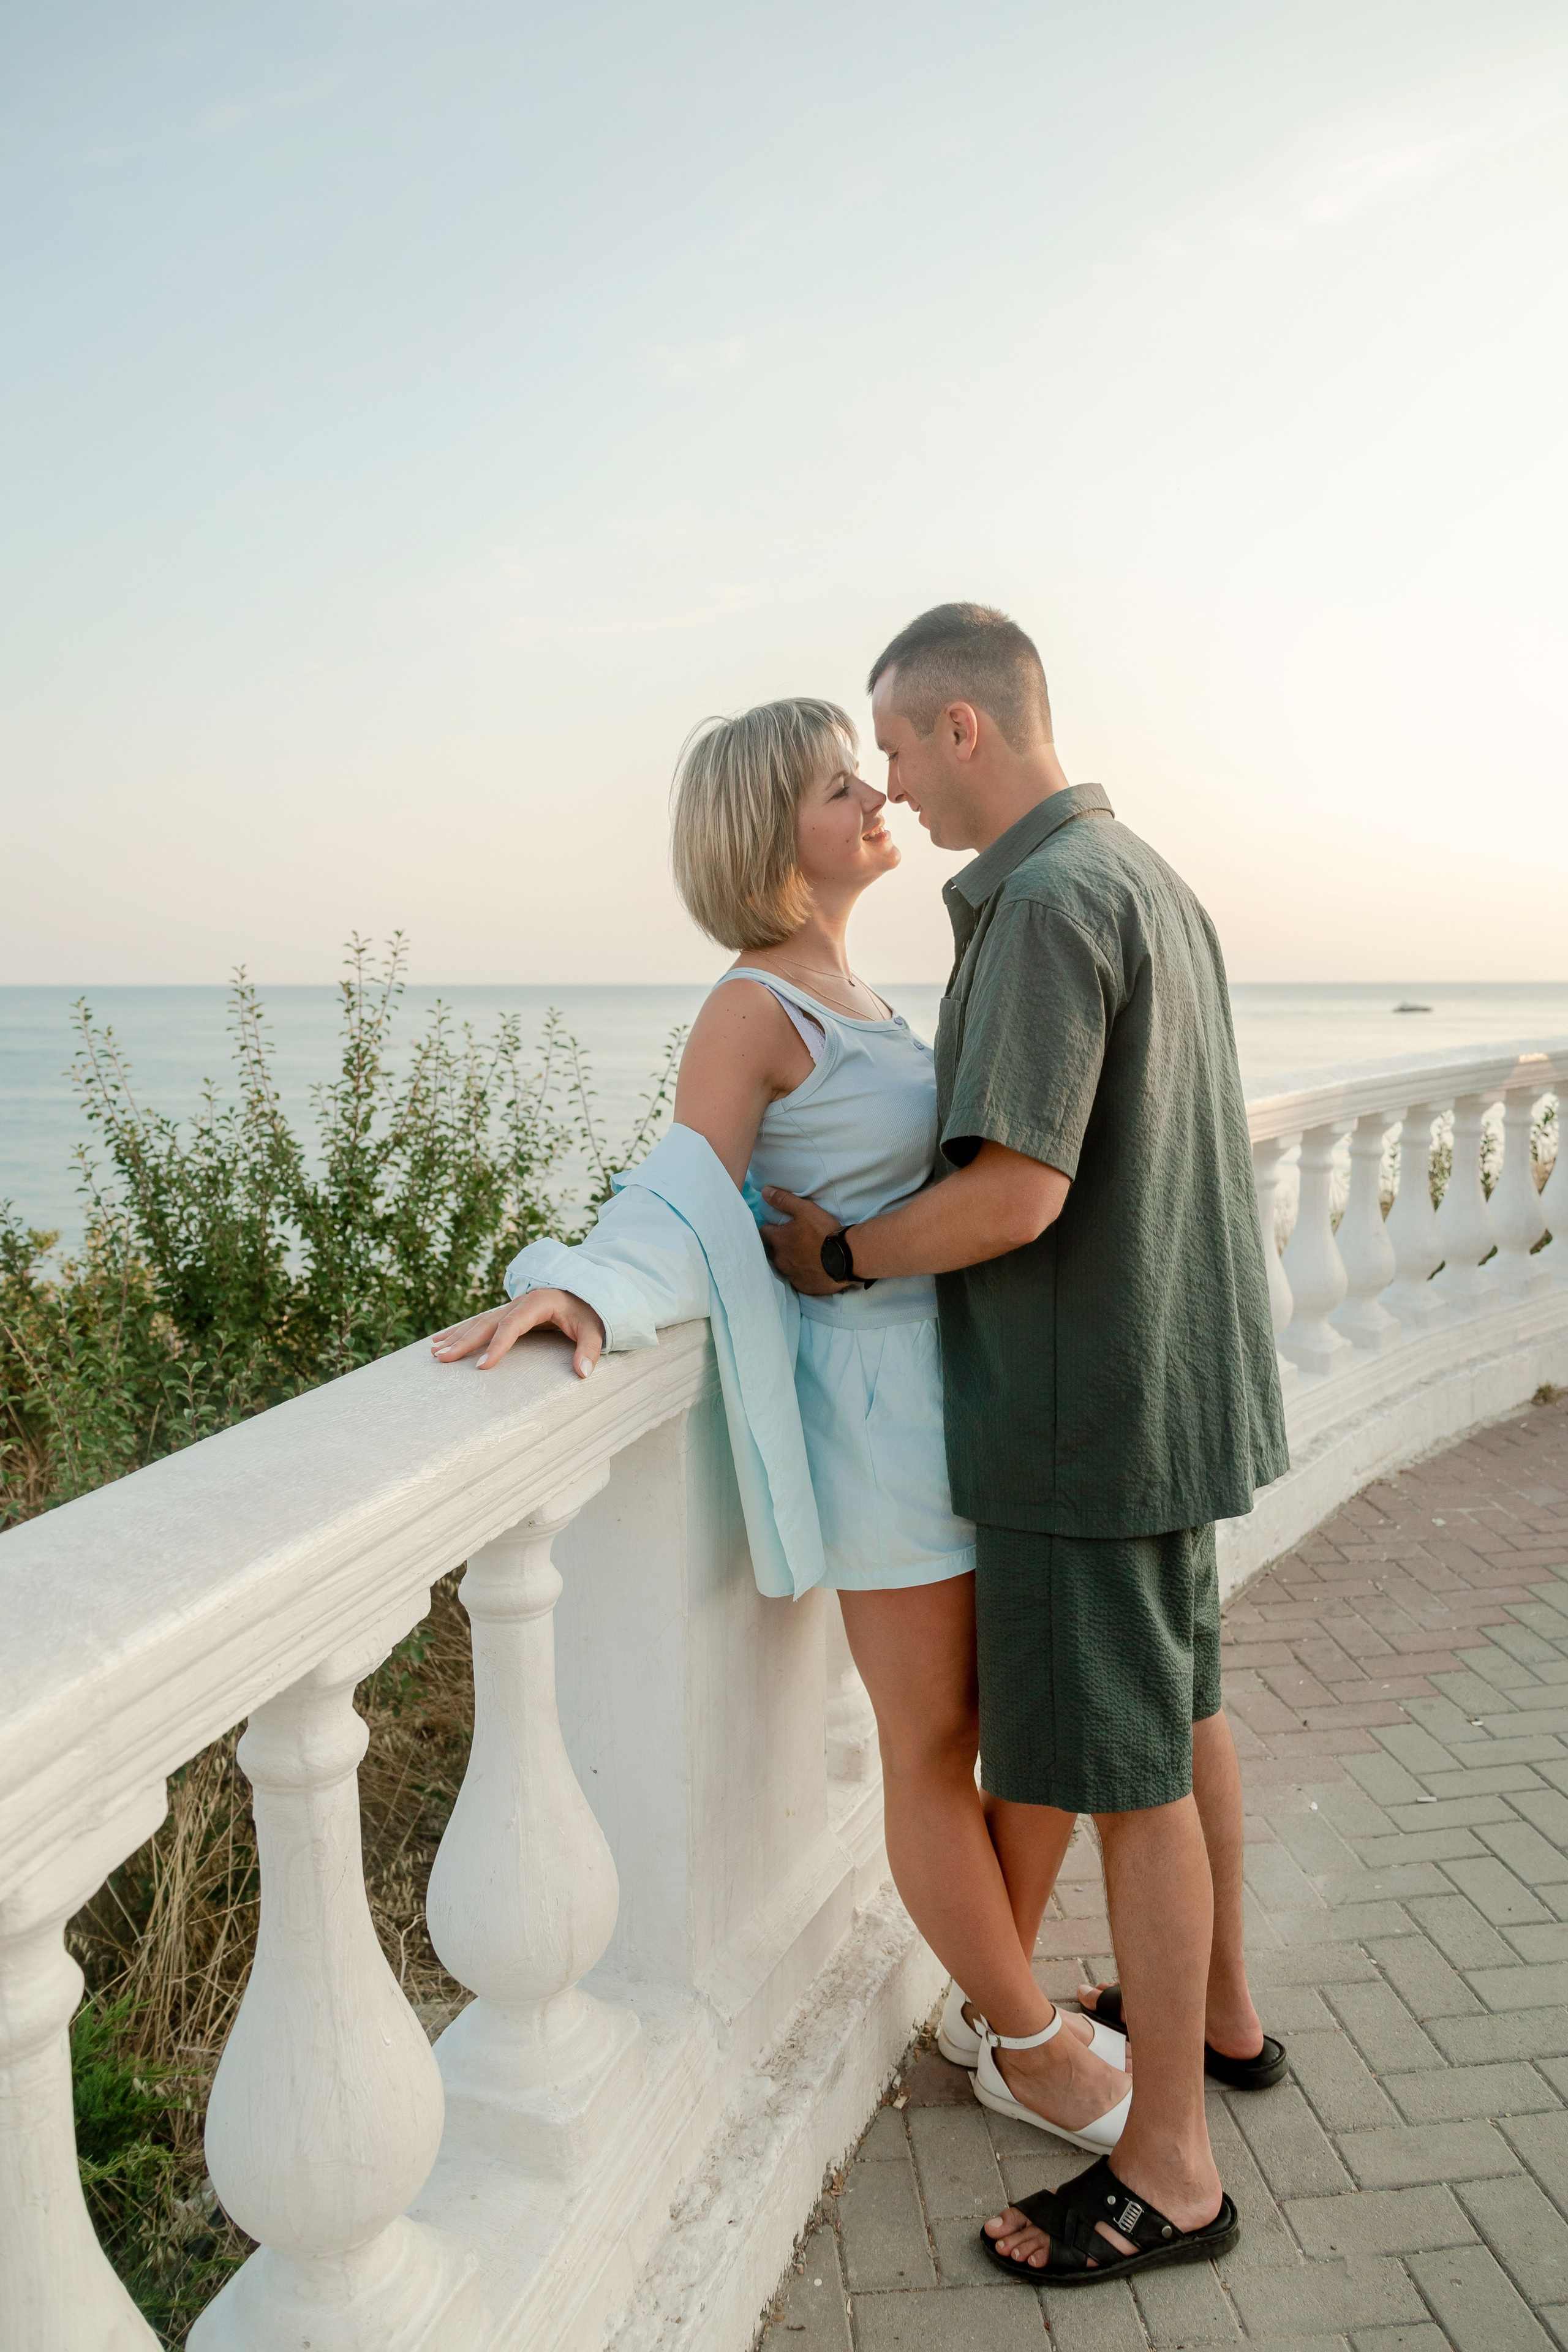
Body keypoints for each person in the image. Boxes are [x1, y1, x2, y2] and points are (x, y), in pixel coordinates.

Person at [430, 696, 1132, 2158]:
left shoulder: (865, 987)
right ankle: (1027, 2038)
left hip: (972, 1386)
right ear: (771, 836)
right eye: (835, 784)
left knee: (1033, 1722)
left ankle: (989, 2002)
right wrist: (577, 1289)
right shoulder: (751, 1008)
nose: (876, 791)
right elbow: (681, 1196)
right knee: (935, 1741)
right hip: (873, 1417)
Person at [761, 605, 1291, 2288]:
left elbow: (1020, 1192)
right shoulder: (1145, 876)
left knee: (1123, 1775)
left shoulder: (1051, 904)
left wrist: (835, 1255)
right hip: (1177, 1389)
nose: (896, 789)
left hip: (1083, 1421)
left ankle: (1170, 2172)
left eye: (899, 748)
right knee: (1182, 1710)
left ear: (964, 730)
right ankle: (1218, 2021)